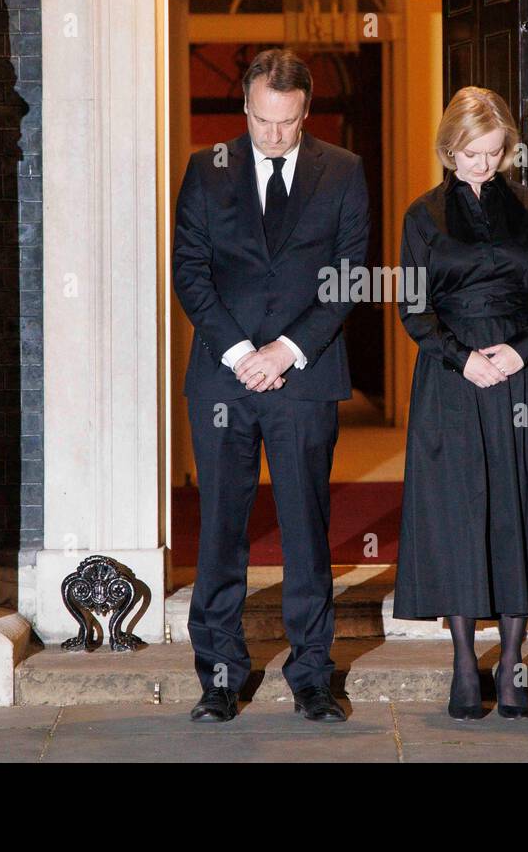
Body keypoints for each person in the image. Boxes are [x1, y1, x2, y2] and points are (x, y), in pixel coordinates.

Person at [172, 48, 370, 724]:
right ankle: (221, 676)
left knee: (306, 529)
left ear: (306, 111)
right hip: (225, 380)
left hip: (304, 378)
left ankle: (313, 676)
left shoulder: (343, 171)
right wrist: (239, 353)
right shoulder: (206, 169)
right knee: (222, 527)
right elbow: (190, 272)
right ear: (246, 109)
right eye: (262, 120)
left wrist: (286, 349)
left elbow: (349, 273)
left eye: (287, 122)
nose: (274, 134)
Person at [394, 86, 528, 720]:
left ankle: (510, 665)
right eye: (471, 154)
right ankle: (463, 662)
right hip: (451, 380)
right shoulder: (421, 216)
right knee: (458, 514)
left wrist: (519, 351)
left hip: (522, 374)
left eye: (494, 153)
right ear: (447, 150)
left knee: (519, 511)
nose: (483, 165)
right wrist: (464, 358)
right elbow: (413, 307)